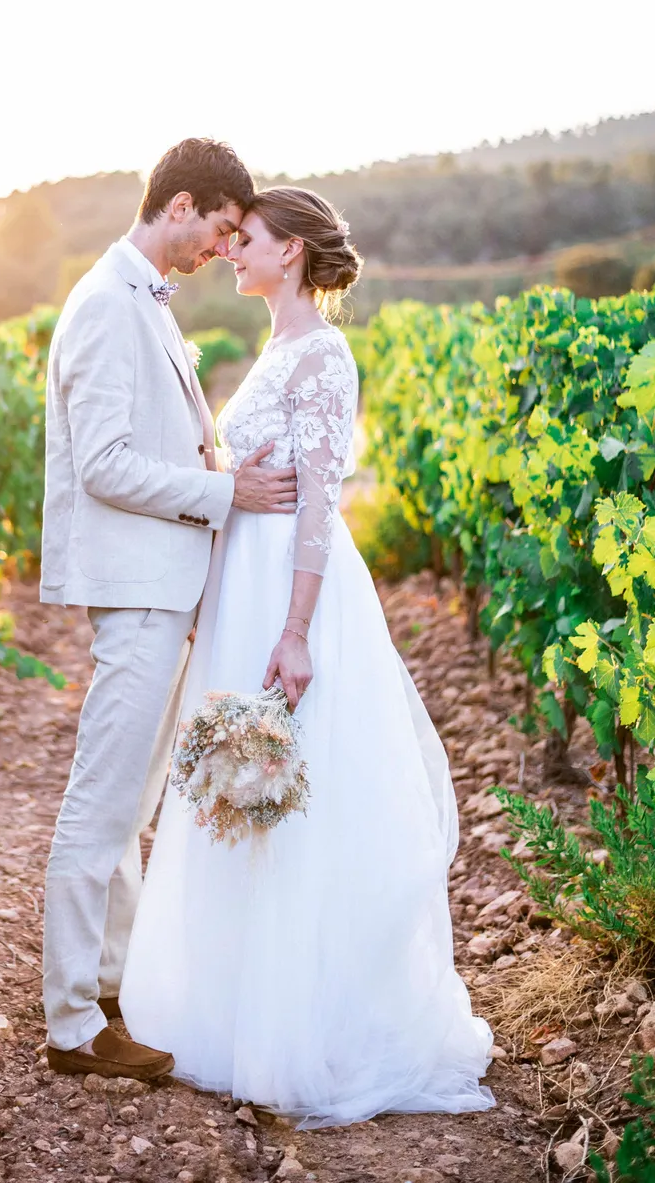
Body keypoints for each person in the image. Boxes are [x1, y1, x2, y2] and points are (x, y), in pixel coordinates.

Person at [118, 187, 497, 1127]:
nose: (228, 252)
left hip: (291, 600)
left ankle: (305, 1025)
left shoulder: (323, 355)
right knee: (236, 787)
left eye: (243, 240)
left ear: (289, 253)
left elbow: (322, 503)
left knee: (291, 791)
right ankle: (234, 1003)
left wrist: (293, 631)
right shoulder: (277, 348)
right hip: (242, 592)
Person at [40, 140, 301, 1082]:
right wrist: (226, 494)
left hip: (163, 587)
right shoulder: (111, 306)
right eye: (223, 230)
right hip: (138, 588)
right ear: (181, 204)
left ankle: (109, 991)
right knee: (101, 802)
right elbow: (105, 462)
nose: (223, 251)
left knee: (131, 804)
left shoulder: (140, 300)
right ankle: (72, 1023)